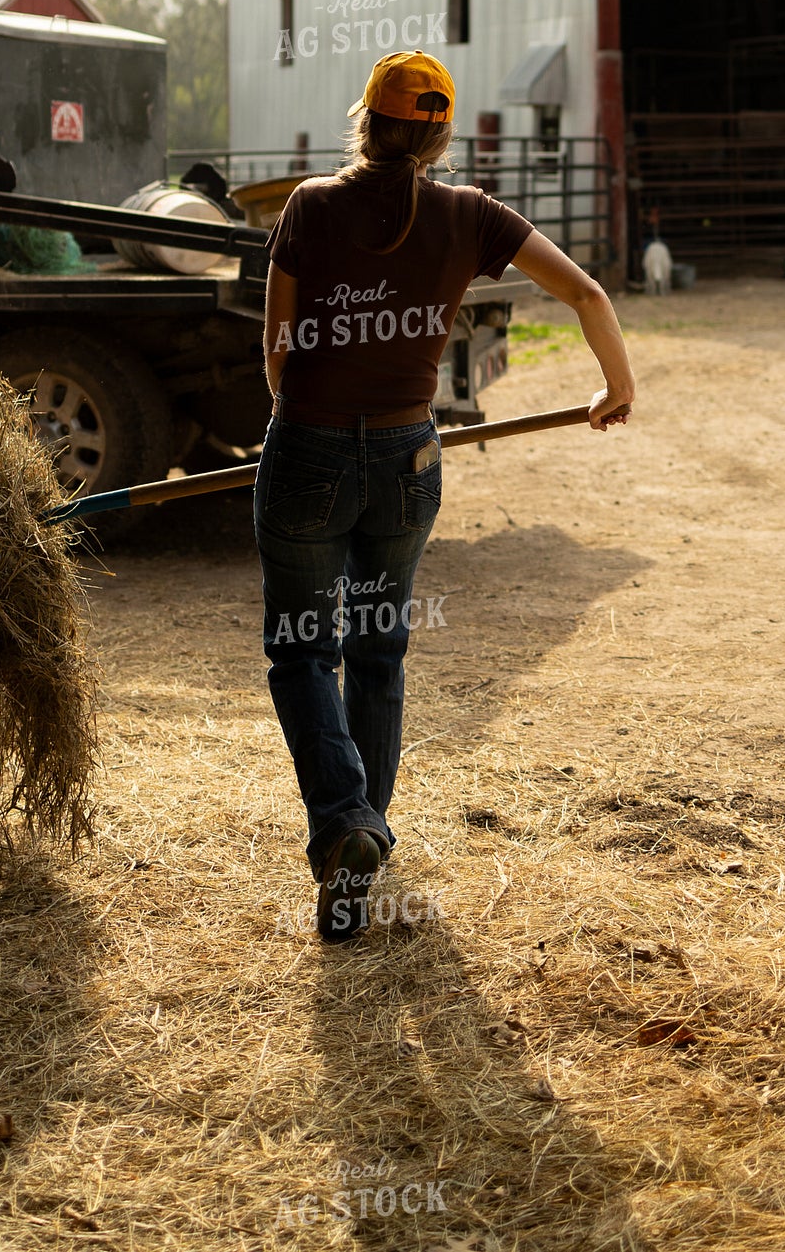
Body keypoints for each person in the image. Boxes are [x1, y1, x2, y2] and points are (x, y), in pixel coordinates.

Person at [256, 51, 635, 941]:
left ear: (368, 121)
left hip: (309, 444)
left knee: (305, 653)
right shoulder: (471, 215)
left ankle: (346, 823)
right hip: (407, 455)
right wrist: (614, 387)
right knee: (379, 650)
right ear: (439, 133)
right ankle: (360, 843)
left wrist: (310, 418)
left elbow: (275, 354)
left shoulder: (308, 206)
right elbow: (585, 291)